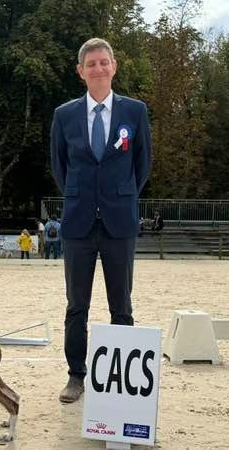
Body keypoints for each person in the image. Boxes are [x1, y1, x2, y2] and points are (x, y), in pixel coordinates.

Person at [50, 37, 152, 403]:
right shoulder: (64, 115)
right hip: (78, 223)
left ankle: (120, 380)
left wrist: (119, 195)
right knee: (76, 305)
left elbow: (142, 165)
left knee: (121, 305)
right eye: (90, 63)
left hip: (118, 222)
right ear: (80, 71)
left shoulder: (135, 111)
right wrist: (83, 196)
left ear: (114, 66)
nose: (98, 68)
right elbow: (59, 166)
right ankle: (76, 375)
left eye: (103, 62)